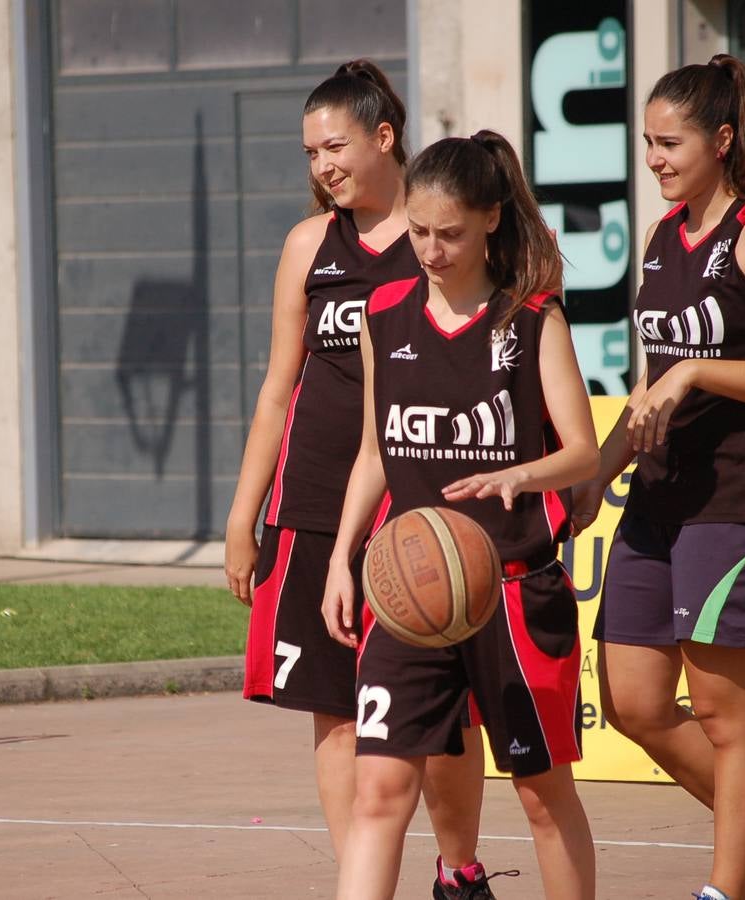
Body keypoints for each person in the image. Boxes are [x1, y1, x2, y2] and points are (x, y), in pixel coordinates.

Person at [223, 60, 496, 899]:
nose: (322, 166)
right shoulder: (309, 245)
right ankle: (362, 884)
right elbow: (277, 389)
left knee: (443, 721)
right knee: (336, 713)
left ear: (384, 137)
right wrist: (242, 518)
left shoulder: (434, 233)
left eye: (335, 145)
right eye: (309, 152)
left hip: (421, 511)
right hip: (312, 510)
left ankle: (459, 873)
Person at [569, 54, 745, 900]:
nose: (653, 158)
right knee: (633, 704)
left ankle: (729, 888)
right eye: (646, 142)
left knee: (726, 714)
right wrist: (589, 480)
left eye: (668, 141)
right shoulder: (659, 239)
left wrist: (699, 373)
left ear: (721, 140)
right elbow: (648, 391)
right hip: (654, 503)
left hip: (734, 502)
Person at [322, 129, 599, 900]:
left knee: (543, 798)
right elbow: (377, 450)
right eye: (416, 232)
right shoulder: (382, 311)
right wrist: (344, 560)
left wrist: (523, 472)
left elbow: (581, 450)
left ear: (489, 220)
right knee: (378, 790)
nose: (431, 250)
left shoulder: (531, 319)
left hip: (511, 591)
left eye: (448, 233)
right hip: (407, 590)